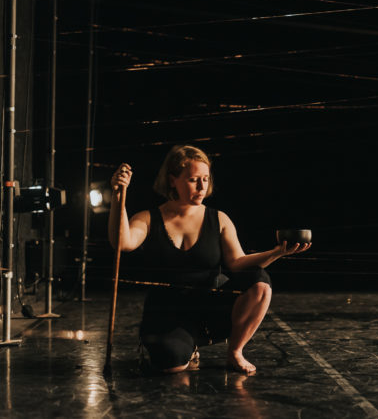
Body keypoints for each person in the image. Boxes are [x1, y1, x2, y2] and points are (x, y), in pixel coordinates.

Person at [108, 145, 311, 374]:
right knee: (172, 366)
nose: (202, 186)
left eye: (205, 179)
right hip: (167, 310)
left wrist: (276, 253)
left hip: (209, 306)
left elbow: (237, 263)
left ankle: (235, 352)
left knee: (259, 280)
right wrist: (118, 196)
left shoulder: (219, 219)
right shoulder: (147, 218)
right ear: (172, 180)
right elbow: (122, 242)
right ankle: (182, 347)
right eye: (194, 179)